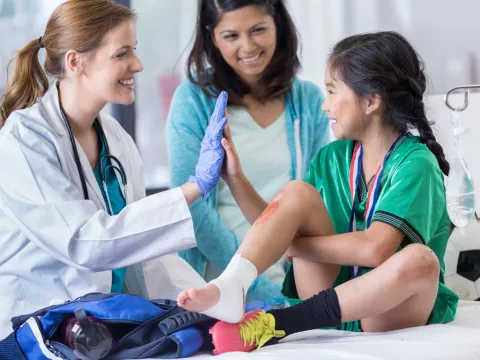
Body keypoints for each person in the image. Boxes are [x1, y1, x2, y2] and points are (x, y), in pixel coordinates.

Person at [177, 31, 459, 354]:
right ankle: (232, 285)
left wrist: (294, 245)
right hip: (326, 293)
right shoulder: (333, 157)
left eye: (331, 91)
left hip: (385, 312)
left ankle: (280, 323)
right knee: (297, 193)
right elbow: (274, 227)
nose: (324, 104)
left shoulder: (415, 163)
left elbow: (375, 250)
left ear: (371, 101)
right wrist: (235, 178)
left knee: (421, 261)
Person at [0, 0, 228, 340]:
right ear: (76, 61)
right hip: (34, 330)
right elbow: (85, 243)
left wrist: (219, 303)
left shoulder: (117, 140)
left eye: (133, 50)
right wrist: (193, 187)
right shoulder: (23, 142)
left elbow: (145, 256)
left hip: (99, 330)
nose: (137, 64)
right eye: (122, 54)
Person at [166, 0, 330, 303]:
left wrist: (292, 295)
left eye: (258, 30)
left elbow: (319, 202)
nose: (247, 46)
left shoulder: (309, 101)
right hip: (216, 285)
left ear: (277, 23)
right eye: (231, 36)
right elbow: (191, 207)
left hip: (295, 286)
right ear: (211, 36)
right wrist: (252, 284)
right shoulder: (192, 99)